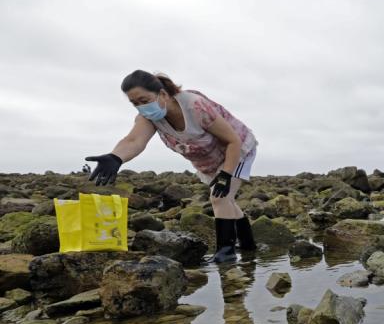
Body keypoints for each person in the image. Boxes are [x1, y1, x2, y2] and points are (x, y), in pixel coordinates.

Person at [85, 70, 259, 263]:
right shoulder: (150, 118)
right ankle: (248, 244)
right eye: (135, 104)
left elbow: (232, 141)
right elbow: (134, 140)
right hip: (208, 161)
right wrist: (115, 157)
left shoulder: (195, 106)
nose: (141, 107)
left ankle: (226, 253)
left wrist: (226, 175)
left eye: (144, 100)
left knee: (220, 198)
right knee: (227, 200)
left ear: (163, 94)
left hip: (237, 150)